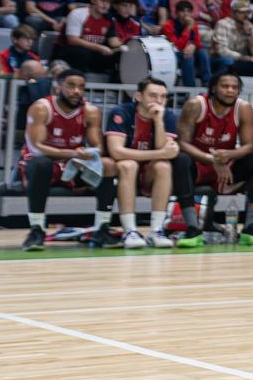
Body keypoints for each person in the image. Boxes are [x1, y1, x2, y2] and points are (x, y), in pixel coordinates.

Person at [15, 70, 108, 251]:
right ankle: (37, 229)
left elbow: (99, 147)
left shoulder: (91, 111)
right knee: (41, 164)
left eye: (81, 87)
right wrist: (71, 153)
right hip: (42, 162)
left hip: (70, 164)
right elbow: (36, 148)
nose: (77, 91)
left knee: (109, 166)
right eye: (71, 86)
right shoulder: (42, 108)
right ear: (58, 87)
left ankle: (101, 228)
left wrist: (88, 152)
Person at [176, 71, 253, 242]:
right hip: (198, 163)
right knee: (181, 159)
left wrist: (229, 155)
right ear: (213, 88)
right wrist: (212, 160)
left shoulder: (243, 108)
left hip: (227, 165)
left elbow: (250, 145)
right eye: (225, 86)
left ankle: (250, 228)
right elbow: (183, 143)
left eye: (234, 87)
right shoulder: (195, 105)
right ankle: (192, 228)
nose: (230, 91)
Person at [103, 78, 188, 249]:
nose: (158, 101)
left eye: (163, 97)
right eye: (153, 96)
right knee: (129, 165)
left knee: (163, 166)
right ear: (139, 96)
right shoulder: (121, 112)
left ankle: (156, 230)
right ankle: (130, 230)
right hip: (121, 173)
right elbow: (116, 152)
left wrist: (158, 121)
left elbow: (165, 150)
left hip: (148, 173)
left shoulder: (167, 116)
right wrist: (159, 153)